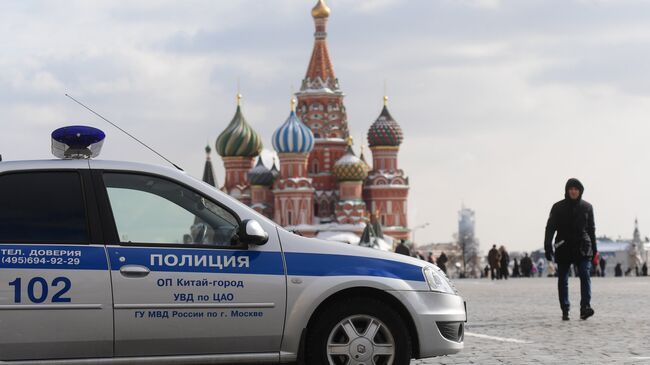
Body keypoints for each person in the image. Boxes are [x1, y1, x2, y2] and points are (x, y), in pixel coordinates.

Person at [544, 178, 597, 321]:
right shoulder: (557, 207)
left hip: (583, 246)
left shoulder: (587, 207)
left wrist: (595, 250)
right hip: (564, 246)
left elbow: (591, 230)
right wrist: (547, 245)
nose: (574, 191)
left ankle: (585, 307)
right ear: (567, 191)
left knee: (585, 274)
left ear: (580, 191)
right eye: (571, 189)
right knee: (563, 279)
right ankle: (565, 308)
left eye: (576, 189)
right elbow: (550, 227)